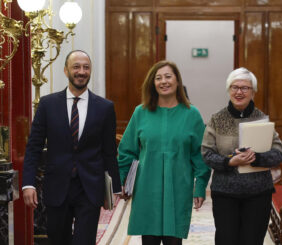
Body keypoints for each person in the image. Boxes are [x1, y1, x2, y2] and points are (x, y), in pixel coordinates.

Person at [22, 50, 121, 245]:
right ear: (66, 71)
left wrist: (115, 187)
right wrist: (28, 183)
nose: (81, 71)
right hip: (57, 186)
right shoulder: (47, 104)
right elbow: (34, 147)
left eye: (86, 67)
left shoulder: (105, 107)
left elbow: (109, 151)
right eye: (76, 67)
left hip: (90, 188)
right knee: (59, 240)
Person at [118, 60, 211, 245]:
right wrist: (123, 182)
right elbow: (127, 151)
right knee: (149, 239)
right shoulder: (141, 112)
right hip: (146, 188)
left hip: (178, 187)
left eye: (168, 76)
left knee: (173, 240)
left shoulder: (192, 114)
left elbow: (200, 155)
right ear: (153, 83)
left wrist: (200, 186)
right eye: (158, 78)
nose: (163, 81)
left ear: (177, 81)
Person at [201, 67, 282, 245]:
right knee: (226, 240)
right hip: (225, 193)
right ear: (228, 90)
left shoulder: (262, 119)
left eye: (245, 88)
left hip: (258, 193)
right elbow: (207, 154)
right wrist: (229, 161)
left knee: (252, 241)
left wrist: (257, 158)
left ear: (253, 92)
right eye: (234, 87)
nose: (239, 92)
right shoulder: (217, 119)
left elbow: (279, 153)